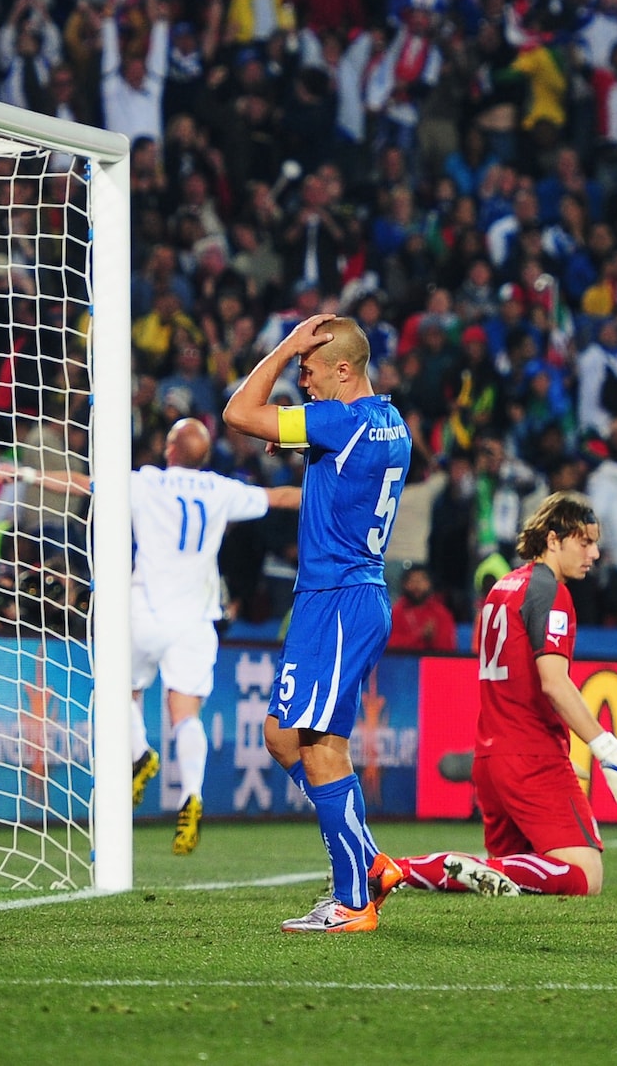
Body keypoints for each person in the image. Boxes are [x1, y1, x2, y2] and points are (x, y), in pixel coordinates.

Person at [221, 313, 413, 933]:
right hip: (344, 598)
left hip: (337, 598)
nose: (301, 380)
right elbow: (342, 467)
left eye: (308, 369)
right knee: (282, 737)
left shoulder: (336, 421)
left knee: (321, 747)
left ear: (343, 369)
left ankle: (353, 900)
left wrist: (283, 346)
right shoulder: (389, 422)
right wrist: (306, 441)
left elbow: (238, 412)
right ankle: (369, 861)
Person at [385, 493, 617, 898]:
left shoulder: (504, 587)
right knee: (584, 875)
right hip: (530, 755)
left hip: (493, 756)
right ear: (553, 540)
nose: (595, 553)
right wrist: (607, 749)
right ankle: (450, 867)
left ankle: (394, 871)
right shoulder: (550, 592)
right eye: (584, 542)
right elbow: (554, 683)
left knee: (515, 874)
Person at [124, 419, 300, 854]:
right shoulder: (220, 489)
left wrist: (29, 474)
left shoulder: (146, 483)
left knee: (119, 692)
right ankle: (191, 796)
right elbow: (278, 497)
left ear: (169, 448)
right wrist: (338, 490)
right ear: (203, 455)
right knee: (185, 714)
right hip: (197, 620)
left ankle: (140, 754)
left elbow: (84, 484)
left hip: (146, 610)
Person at [386, 563, 458, 652]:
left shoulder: (441, 613)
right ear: (404, 584)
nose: (417, 586)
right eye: (412, 580)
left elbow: (448, 649)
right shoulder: (395, 613)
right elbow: (388, 644)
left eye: (421, 580)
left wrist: (431, 638)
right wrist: (419, 636)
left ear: (430, 584)